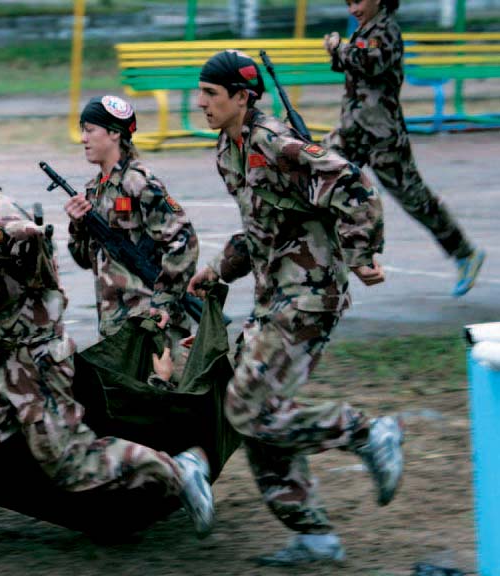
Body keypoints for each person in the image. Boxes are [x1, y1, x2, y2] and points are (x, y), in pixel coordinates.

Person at [0, 168, 214, 576]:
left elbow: (25, 235)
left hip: (36, 364)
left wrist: (23, 240)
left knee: (71, 464)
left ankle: (179, 470)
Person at [189, 50, 404, 566]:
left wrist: (361, 252)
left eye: (211, 94)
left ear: (242, 97)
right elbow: (261, 228)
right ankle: (313, 535)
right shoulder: (229, 150)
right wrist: (216, 270)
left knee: (246, 408)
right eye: (201, 93)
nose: (201, 103)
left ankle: (367, 432)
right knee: (258, 421)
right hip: (274, 298)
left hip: (310, 295)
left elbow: (351, 182)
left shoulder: (275, 142)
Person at [323, 0, 485, 297]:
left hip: (382, 134)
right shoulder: (365, 29)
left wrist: (339, 49)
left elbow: (371, 64)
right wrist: (335, 52)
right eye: (348, 3)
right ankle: (325, 272)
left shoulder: (386, 30)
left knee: (414, 198)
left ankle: (464, 253)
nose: (352, 10)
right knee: (321, 181)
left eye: (357, 2)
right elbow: (350, 67)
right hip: (353, 131)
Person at [65, 95, 200, 388]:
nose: (83, 138)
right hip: (117, 325)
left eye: (90, 130)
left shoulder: (139, 182)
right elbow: (84, 259)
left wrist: (163, 302)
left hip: (151, 322)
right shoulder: (94, 191)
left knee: (166, 398)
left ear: (114, 133)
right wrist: (77, 225)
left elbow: (183, 241)